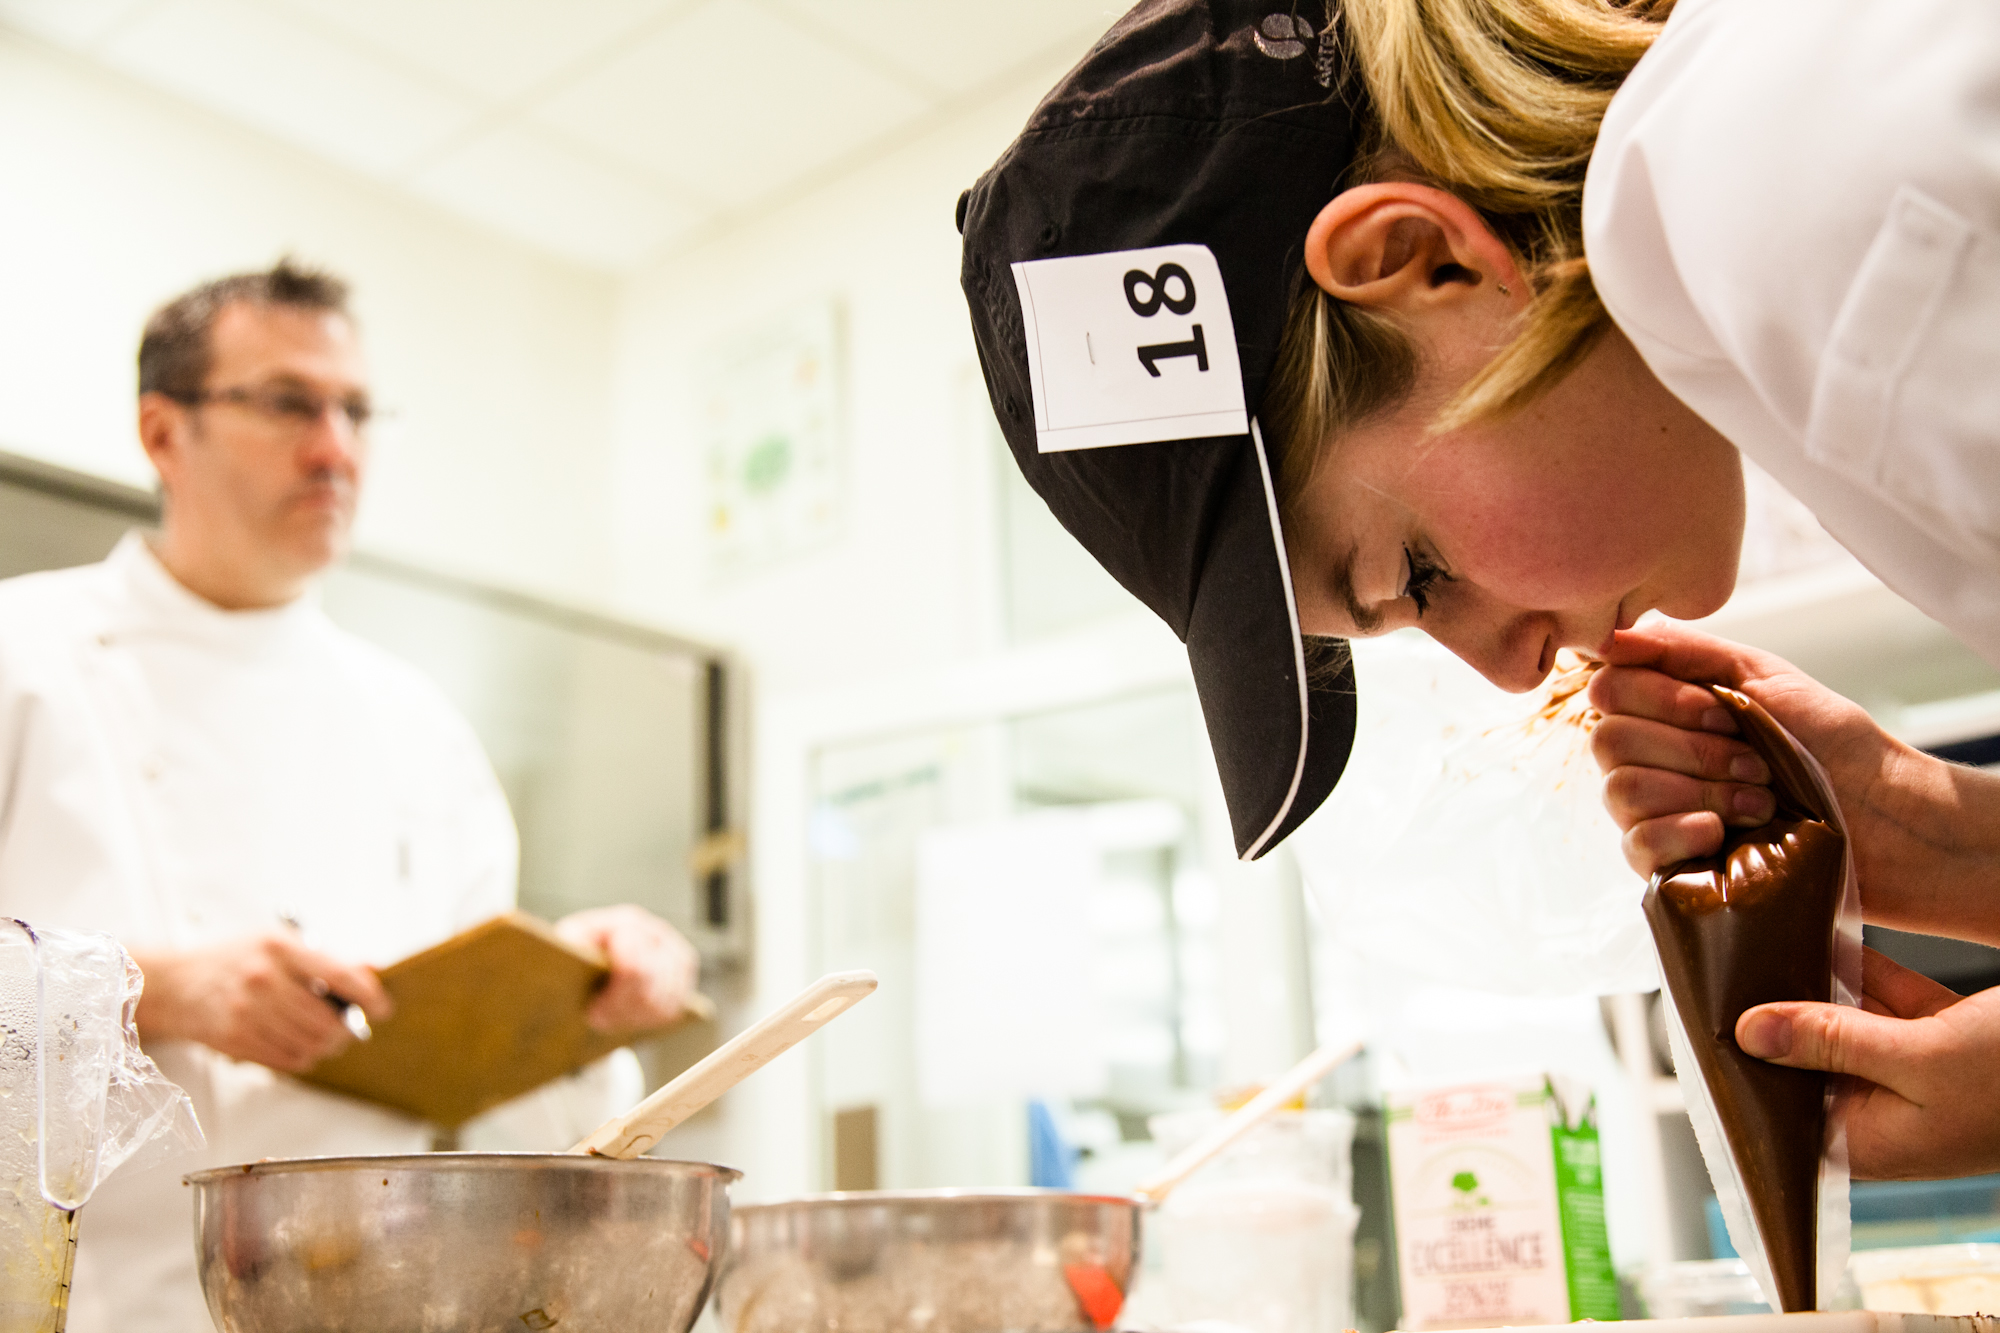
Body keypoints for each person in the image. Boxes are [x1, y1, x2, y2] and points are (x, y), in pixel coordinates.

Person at [959, 0, 2000, 1181]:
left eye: (1415, 575)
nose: (1509, 668)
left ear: (1425, 259)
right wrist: (1940, 840)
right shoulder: (1763, 182)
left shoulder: (1796, 189)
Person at [0, 260, 701, 1331]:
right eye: (287, 404)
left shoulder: (417, 725)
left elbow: (485, 1099)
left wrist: (583, 1002)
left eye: (355, 412)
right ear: (161, 433)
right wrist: (154, 989)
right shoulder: (23, 655)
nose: (335, 449)